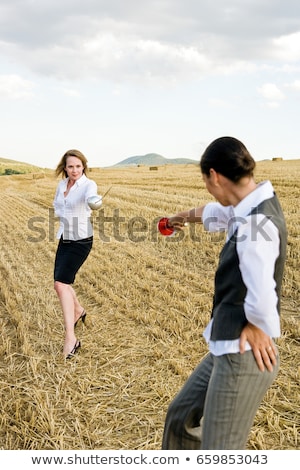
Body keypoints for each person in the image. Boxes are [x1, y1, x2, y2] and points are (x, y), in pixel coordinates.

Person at [161, 136, 287, 449]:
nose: (207, 187)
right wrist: (179, 217)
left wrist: (258, 325)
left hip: (242, 353)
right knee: (181, 418)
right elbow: (216, 213)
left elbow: (263, 291)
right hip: (225, 344)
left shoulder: (256, 222)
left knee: (221, 449)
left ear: (214, 176)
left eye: (205, 180)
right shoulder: (248, 205)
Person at [53, 149, 102, 359]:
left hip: (81, 240)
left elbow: (92, 198)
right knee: (62, 283)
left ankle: (71, 339)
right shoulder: (62, 185)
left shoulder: (88, 185)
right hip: (65, 238)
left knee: (60, 284)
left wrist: (94, 202)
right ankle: (79, 310)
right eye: (71, 166)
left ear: (84, 167)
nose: (74, 170)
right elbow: (57, 208)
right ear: (65, 168)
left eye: (78, 166)